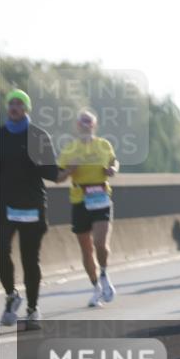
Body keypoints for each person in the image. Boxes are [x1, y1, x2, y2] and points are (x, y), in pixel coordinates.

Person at [0, 89, 59, 329]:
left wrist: (66, 171)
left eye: (19, 103)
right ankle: (11, 295)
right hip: (4, 205)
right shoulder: (0, 136)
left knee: (29, 259)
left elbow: (51, 172)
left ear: (26, 108)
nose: (14, 107)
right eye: (11, 103)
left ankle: (33, 309)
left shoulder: (38, 136)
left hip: (33, 206)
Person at [56, 110, 119, 308]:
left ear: (94, 125)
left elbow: (114, 161)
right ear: (77, 125)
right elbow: (58, 178)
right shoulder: (69, 149)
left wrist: (113, 169)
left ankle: (104, 274)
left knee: (100, 243)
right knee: (86, 248)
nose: (86, 125)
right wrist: (69, 170)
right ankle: (95, 287)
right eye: (82, 122)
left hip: (101, 197)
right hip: (79, 200)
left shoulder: (103, 144)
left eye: (89, 122)